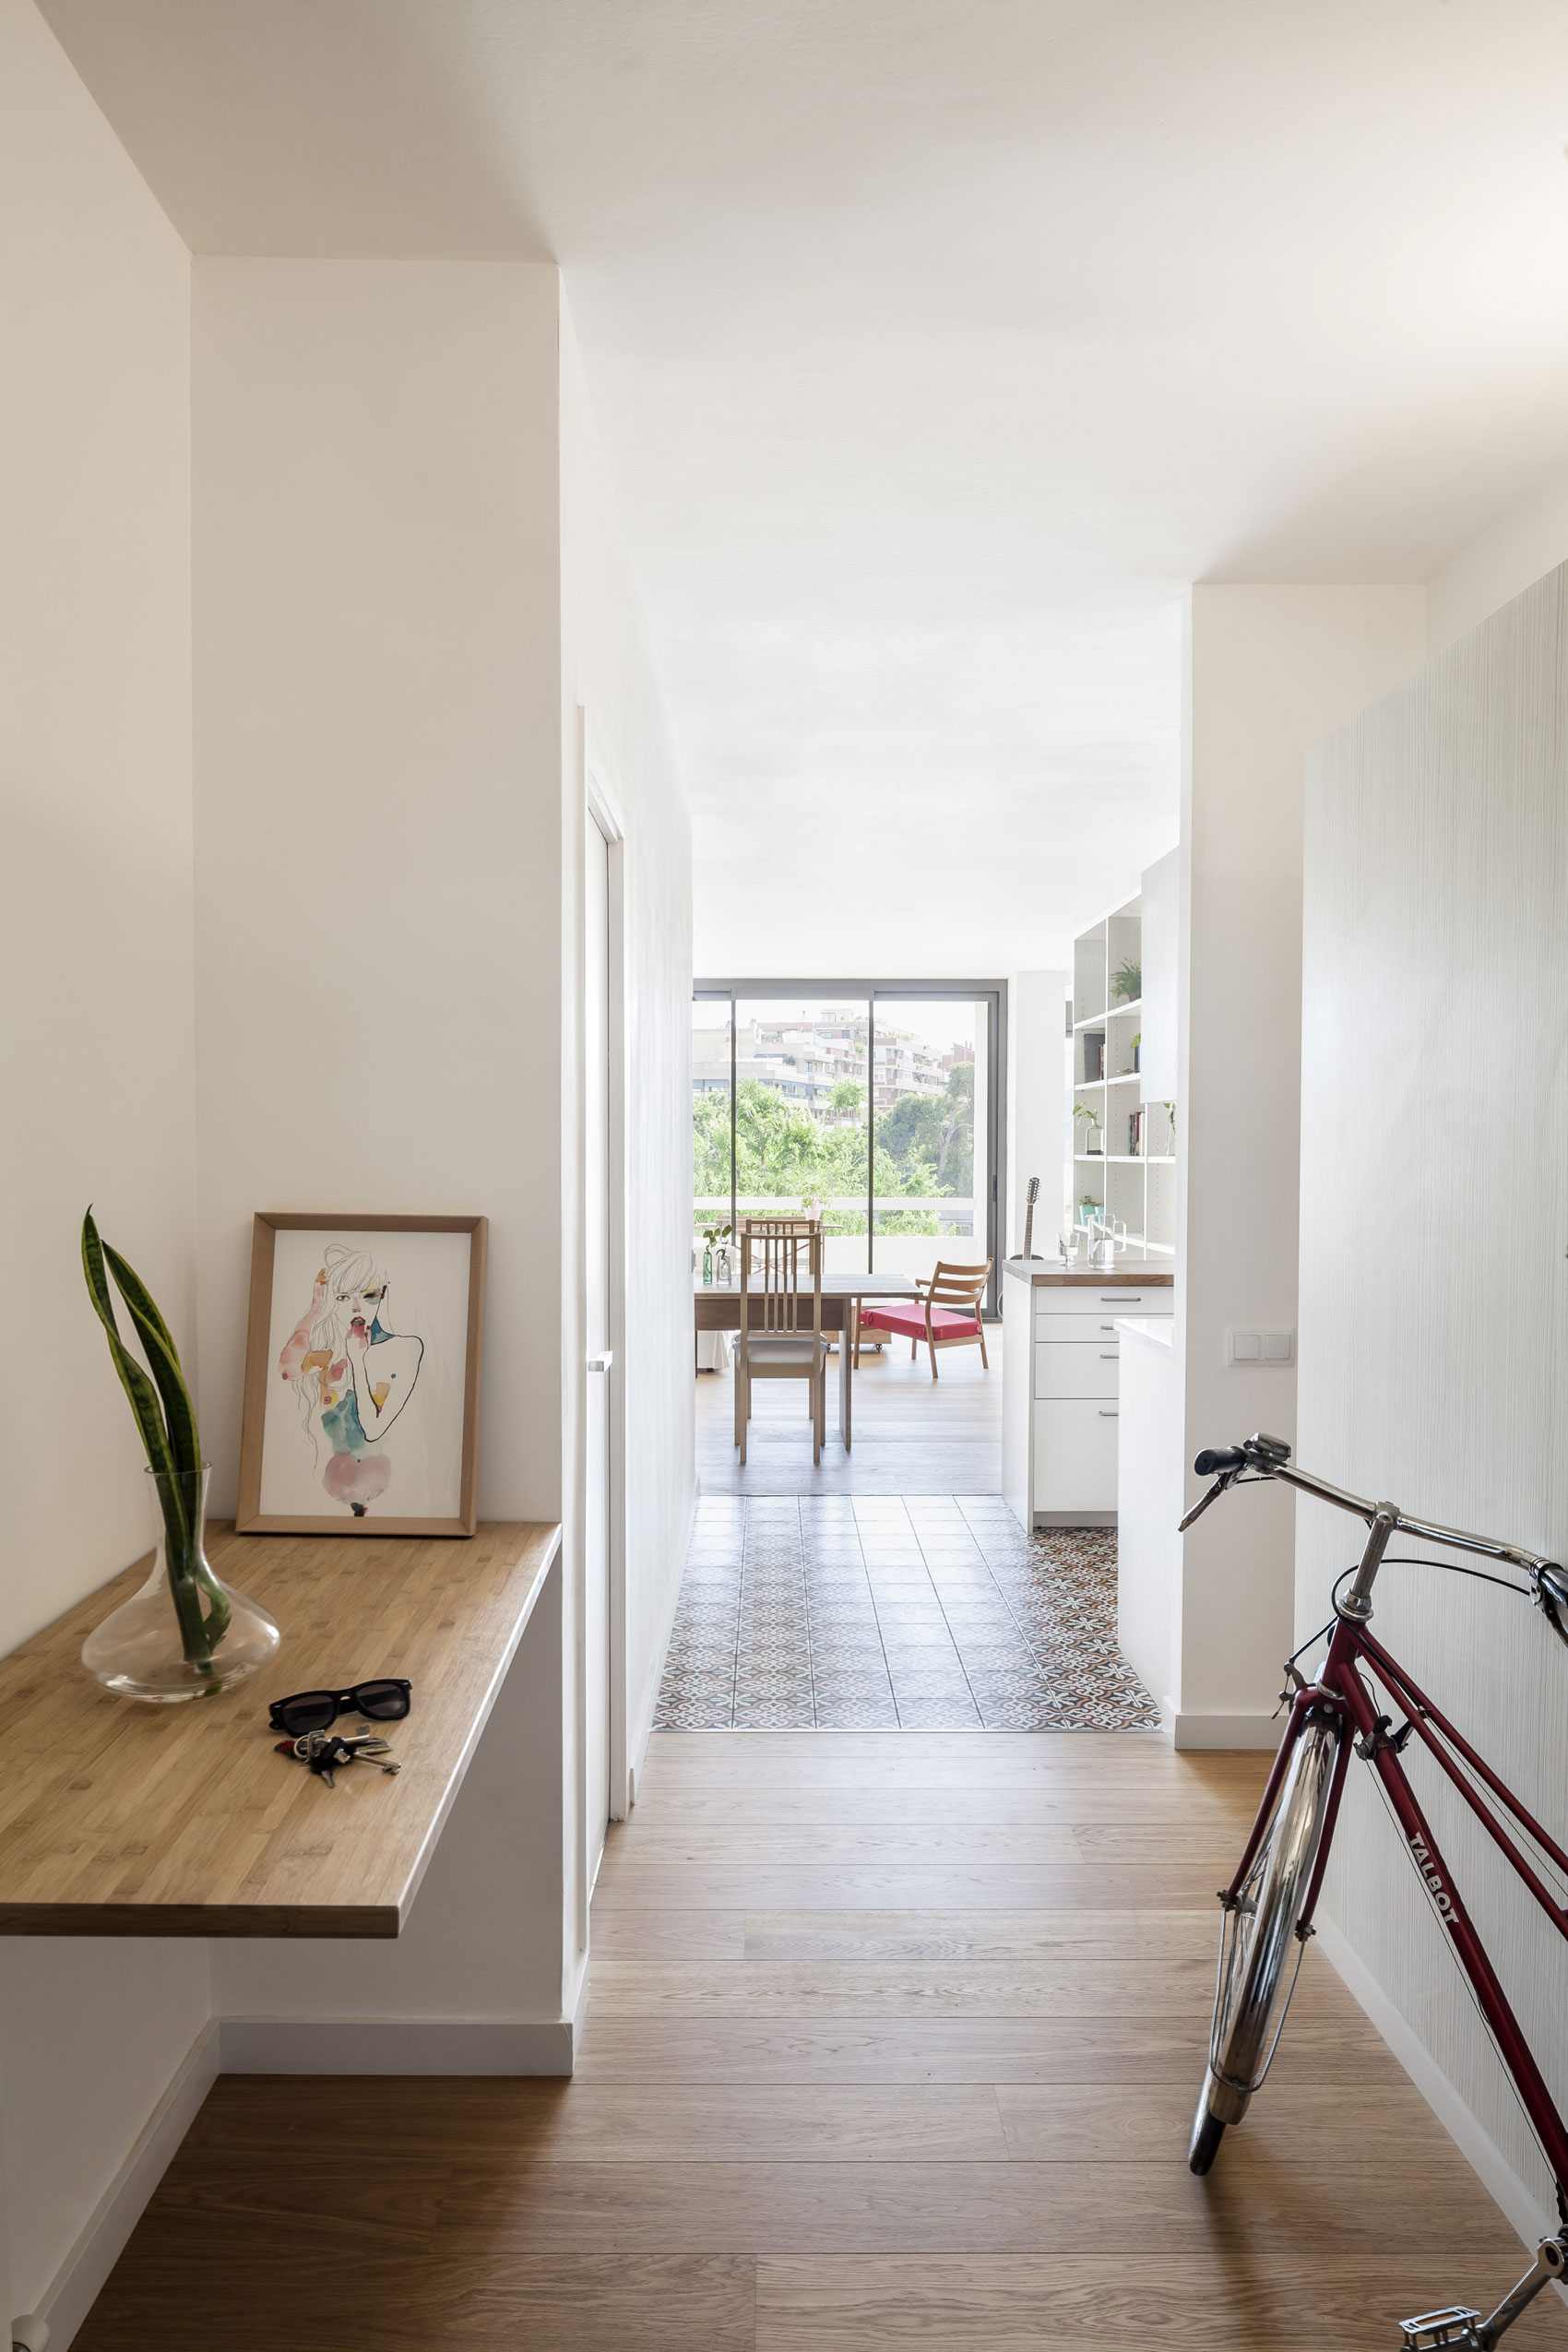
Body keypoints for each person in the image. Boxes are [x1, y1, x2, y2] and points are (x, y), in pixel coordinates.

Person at [278, 1242, 424, 1515]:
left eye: (368, 1295)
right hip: (333, 1482)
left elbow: (373, 1429)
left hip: (386, 1481)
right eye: (343, 1298)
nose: (356, 1308)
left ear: (383, 1294)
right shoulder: (333, 1350)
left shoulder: (405, 1348)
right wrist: (315, 1307)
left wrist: (358, 1361)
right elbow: (288, 1369)